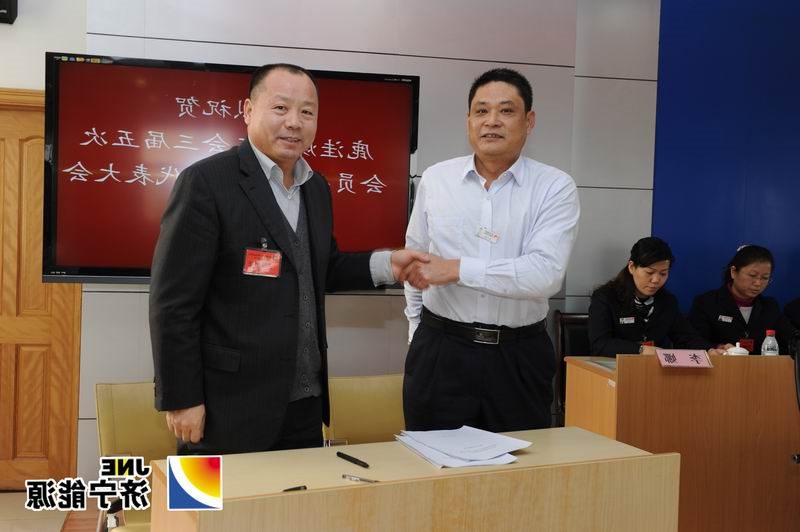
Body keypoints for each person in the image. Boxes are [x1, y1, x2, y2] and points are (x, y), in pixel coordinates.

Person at [149, 63, 426, 455]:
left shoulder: (316, 189)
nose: (295, 122)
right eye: (281, 108)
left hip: (305, 407)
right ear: (248, 111)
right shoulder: (206, 183)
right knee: (203, 496)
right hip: (223, 406)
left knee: (298, 498)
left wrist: (389, 264)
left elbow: (319, 268)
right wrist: (182, 398)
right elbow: (172, 303)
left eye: (307, 112)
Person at [401, 68, 580, 432]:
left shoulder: (554, 187)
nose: (491, 121)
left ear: (529, 121)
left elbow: (544, 274)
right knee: (433, 460)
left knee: (520, 463)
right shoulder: (437, 179)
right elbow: (415, 259)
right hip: (441, 351)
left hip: (518, 357)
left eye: (506, 110)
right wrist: (416, 329)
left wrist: (457, 269)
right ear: (468, 120)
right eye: (481, 111)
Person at [588, 237, 720, 356]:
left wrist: (710, 350)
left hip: (652, 369)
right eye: (649, 272)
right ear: (632, 267)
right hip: (614, 368)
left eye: (663, 273)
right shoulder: (606, 297)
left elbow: (686, 337)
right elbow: (599, 344)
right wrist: (640, 350)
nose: (656, 280)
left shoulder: (667, 301)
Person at [689, 245, 793, 355]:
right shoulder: (707, 303)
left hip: (760, 365)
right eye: (752, 275)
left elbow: (790, 340)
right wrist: (716, 347)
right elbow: (693, 340)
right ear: (733, 272)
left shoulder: (770, 307)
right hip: (720, 363)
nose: (758, 283)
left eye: (765, 278)